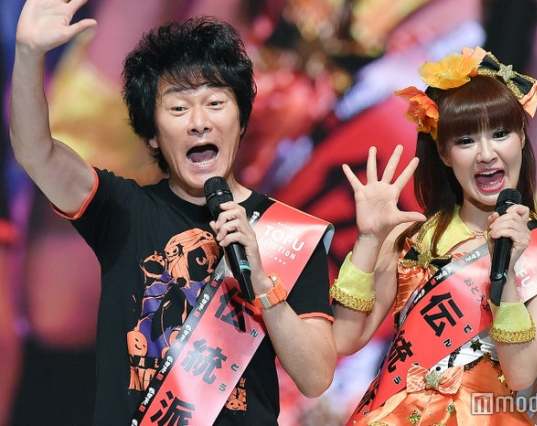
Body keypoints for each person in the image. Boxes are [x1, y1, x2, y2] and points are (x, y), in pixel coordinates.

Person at [10, 1, 336, 425]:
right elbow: (37, 153)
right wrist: (28, 54)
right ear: (152, 137)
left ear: (242, 121)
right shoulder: (125, 210)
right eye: (178, 109)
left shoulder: (291, 234)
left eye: (215, 104)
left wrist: (262, 285)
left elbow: (315, 377)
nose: (198, 123)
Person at [330, 47, 537, 424]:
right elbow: (345, 339)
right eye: (466, 140)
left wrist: (505, 275)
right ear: (443, 153)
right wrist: (370, 239)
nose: (486, 154)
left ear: (522, 138)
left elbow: (522, 374)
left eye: (500, 134)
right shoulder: (416, 237)